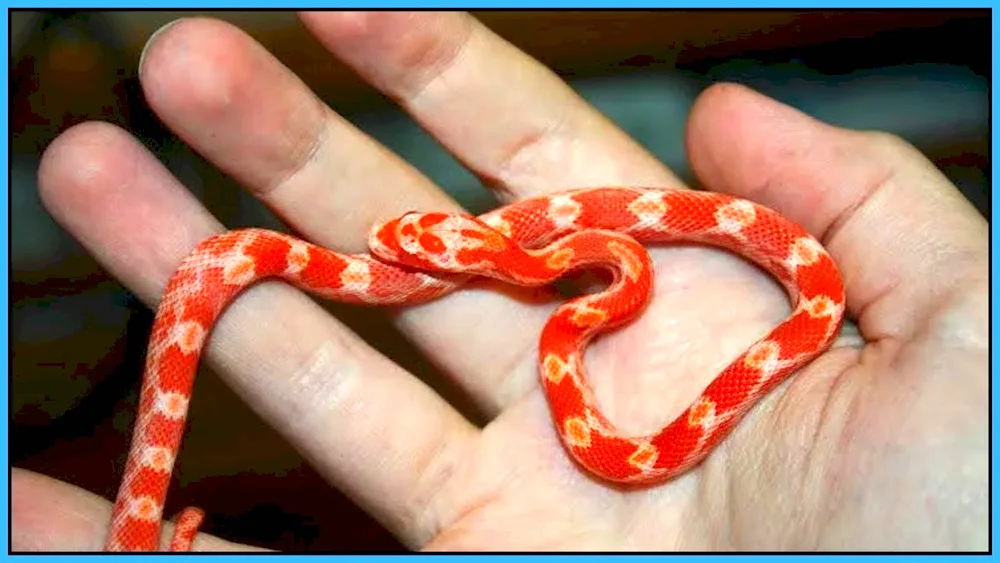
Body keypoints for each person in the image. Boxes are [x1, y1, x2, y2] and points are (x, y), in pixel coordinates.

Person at [14, 12, 987, 551]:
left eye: (427, 246)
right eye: (432, 242)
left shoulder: (577, 315)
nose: (405, 245)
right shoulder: (557, 268)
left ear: (477, 256)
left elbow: (810, 303)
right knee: (219, 259)